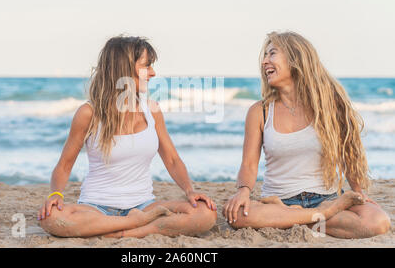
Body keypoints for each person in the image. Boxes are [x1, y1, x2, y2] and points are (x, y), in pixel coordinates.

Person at [38, 36, 217, 238]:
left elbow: (172, 159)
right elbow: (64, 164)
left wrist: (190, 190)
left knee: (205, 213)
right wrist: (55, 194)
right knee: (50, 217)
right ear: (124, 68)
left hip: (144, 206)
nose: (153, 73)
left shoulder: (151, 110)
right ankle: (133, 225)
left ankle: (118, 231)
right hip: (96, 208)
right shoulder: (89, 113)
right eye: (146, 66)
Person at [223, 31, 391, 238]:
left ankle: (295, 217)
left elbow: (348, 154)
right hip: (280, 201)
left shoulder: (330, 106)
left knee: (378, 221)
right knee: (237, 215)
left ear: (295, 59)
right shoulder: (260, 111)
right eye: (265, 56)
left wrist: (359, 192)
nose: (265, 61)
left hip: (326, 198)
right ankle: (319, 216)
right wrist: (243, 191)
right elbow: (249, 164)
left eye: (272, 54)